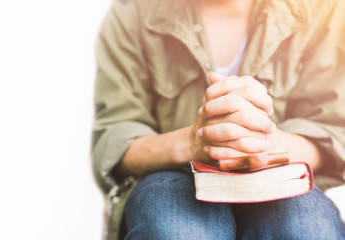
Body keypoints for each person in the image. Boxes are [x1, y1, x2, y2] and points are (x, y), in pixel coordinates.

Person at [92, 0, 345, 239]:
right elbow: (115, 139)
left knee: (306, 225)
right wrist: (194, 142)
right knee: (171, 223)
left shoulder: (322, 11)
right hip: (171, 174)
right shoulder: (134, 12)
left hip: (279, 176)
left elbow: (335, 131)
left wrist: (260, 143)